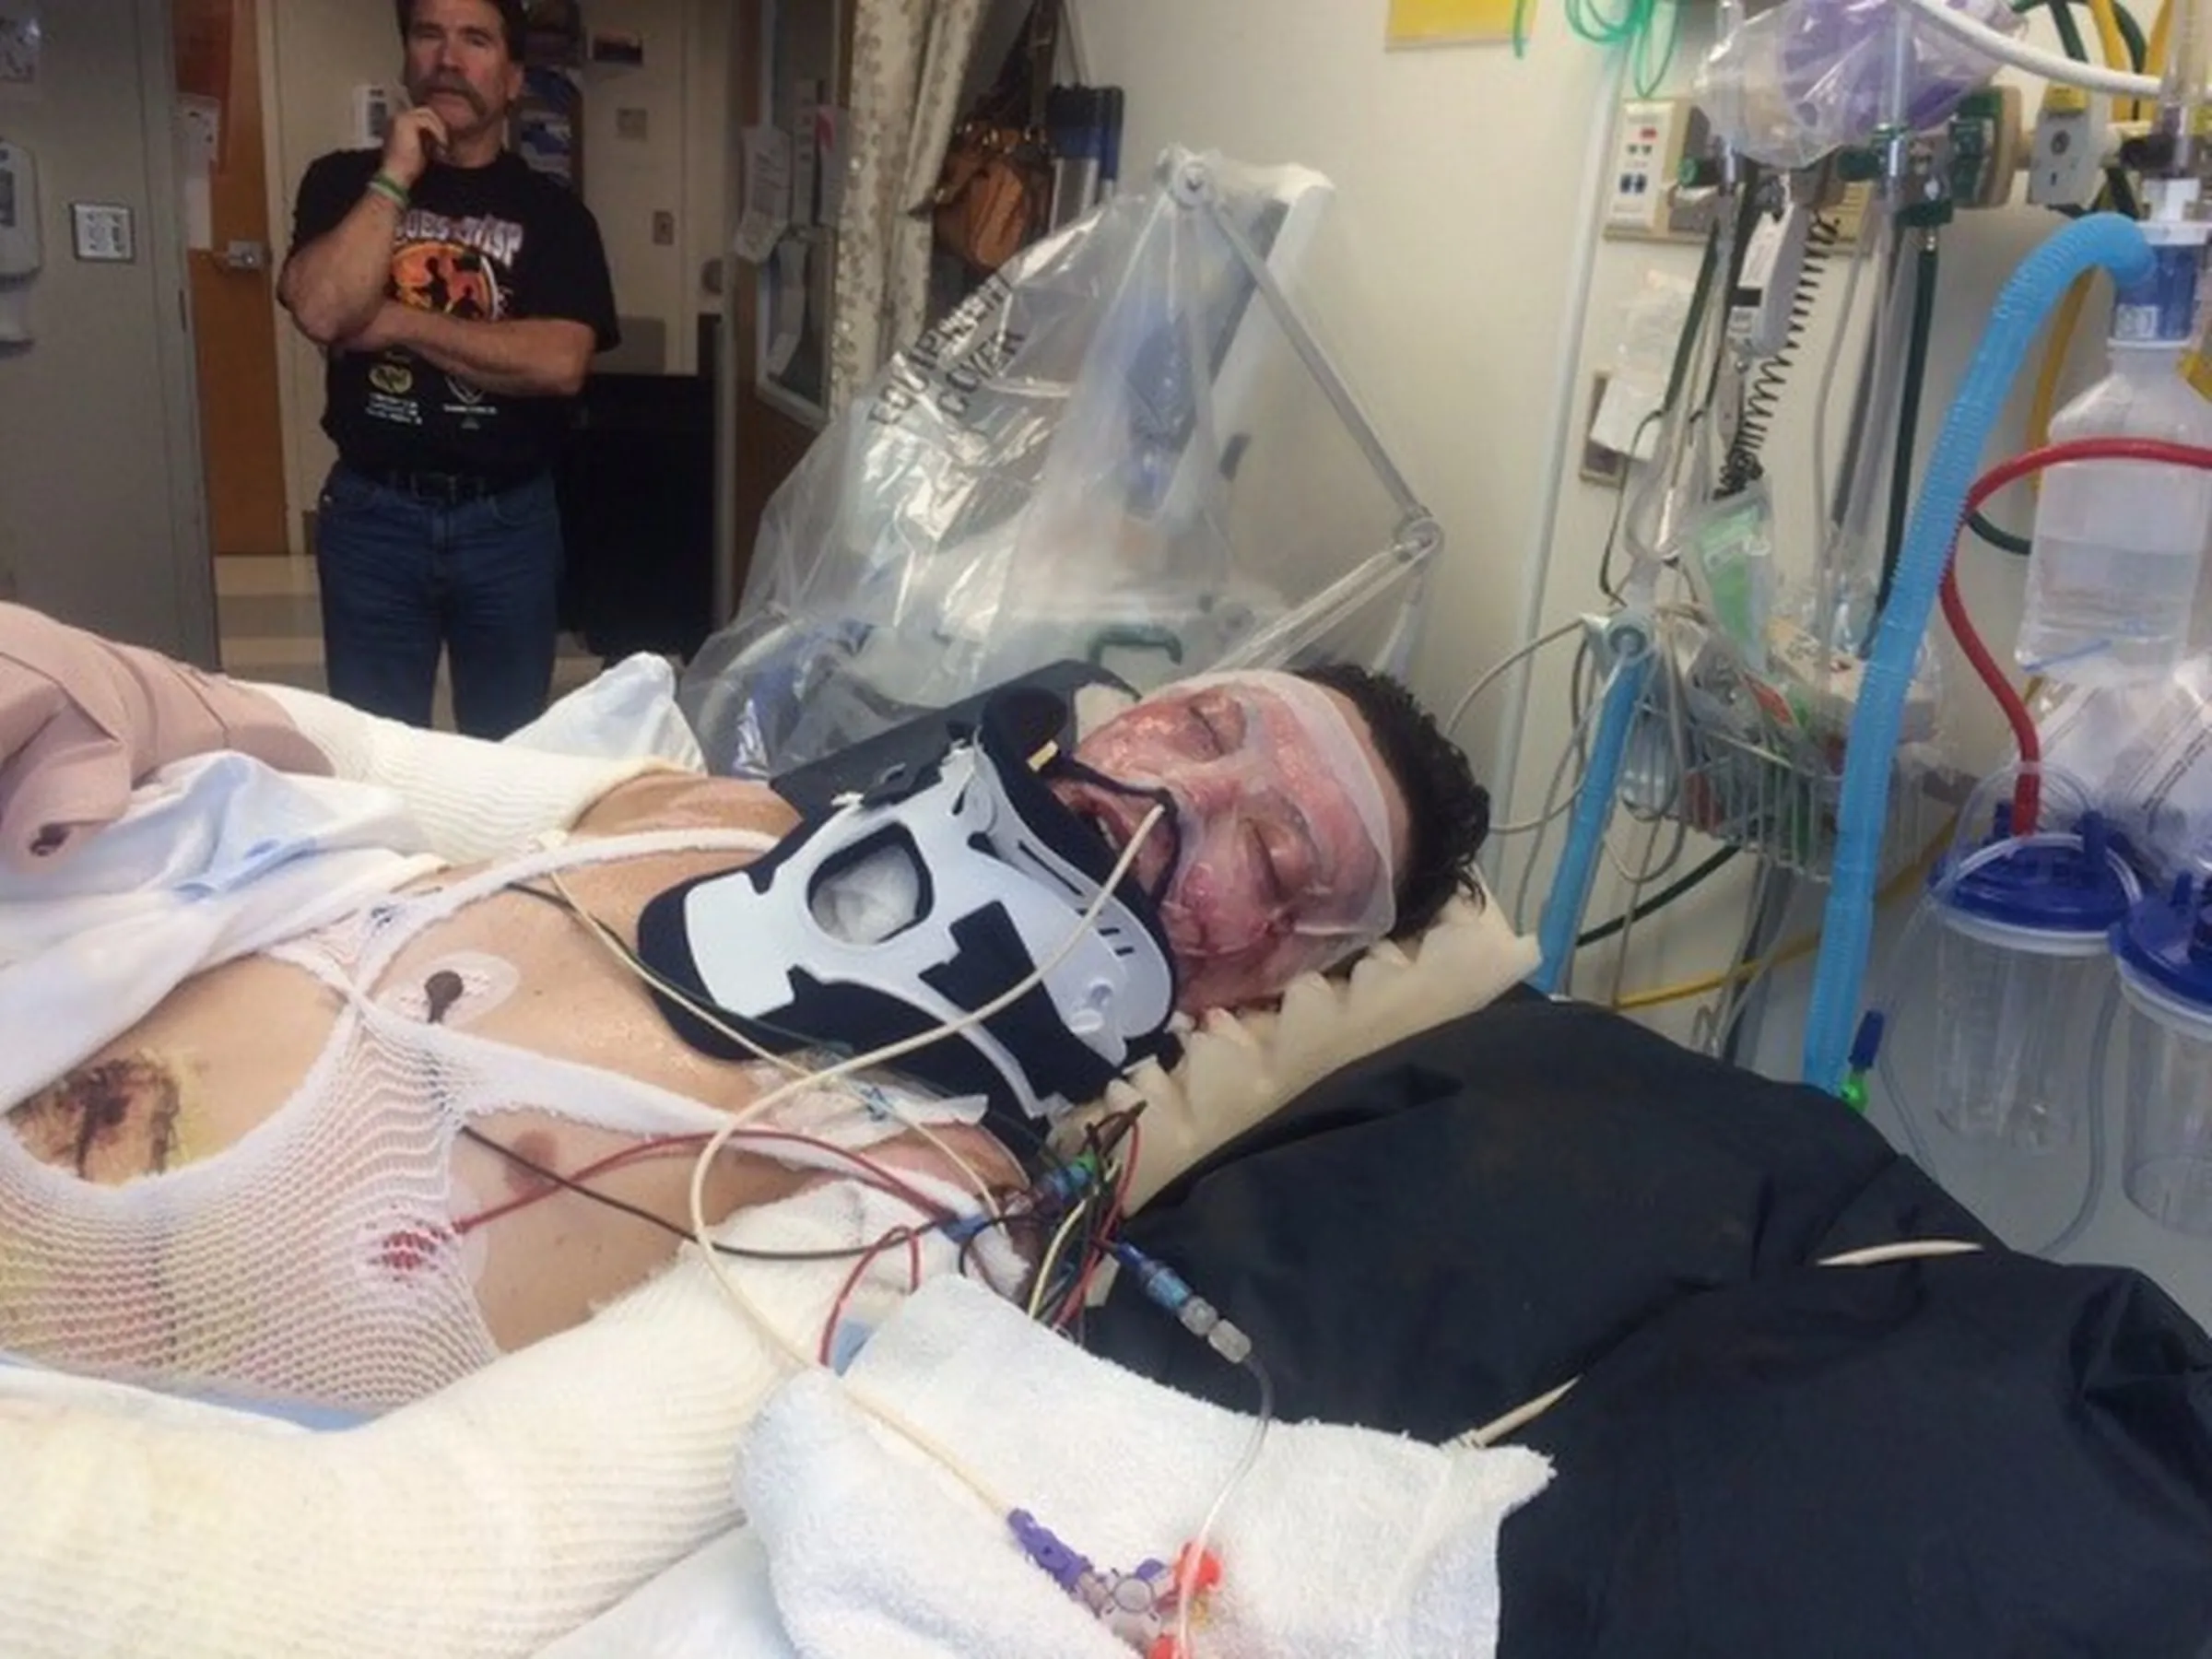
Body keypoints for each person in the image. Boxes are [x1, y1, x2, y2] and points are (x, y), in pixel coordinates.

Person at [0, 606, 1488, 1411]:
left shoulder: (908, 1219)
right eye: (1204, 723)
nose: (1182, 789)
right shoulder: (704, 814)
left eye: (1270, 852)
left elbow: (460, 1548)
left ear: (1252, 994)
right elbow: (353, 754)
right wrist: (128, 691)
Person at [278, 0, 619, 740]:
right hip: (373, 517)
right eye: (429, 35)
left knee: (508, 749)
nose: (448, 59)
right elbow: (323, 309)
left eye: (476, 39)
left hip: (509, 523)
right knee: (372, 752)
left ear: (513, 76)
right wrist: (395, 176)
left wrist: (396, 322)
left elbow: (560, 363)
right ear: (406, 56)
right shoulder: (342, 183)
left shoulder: (555, 215)